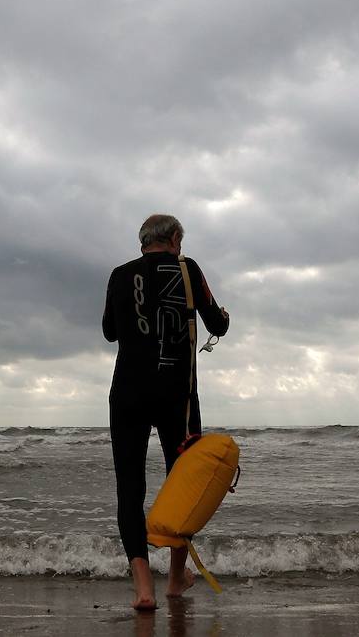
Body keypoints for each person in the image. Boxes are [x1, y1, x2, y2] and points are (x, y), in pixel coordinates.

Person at [102, 213, 230, 611]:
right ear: (174, 238)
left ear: (143, 242)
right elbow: (217, 323)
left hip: (127, 395)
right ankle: (175, 578)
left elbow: (109, 331)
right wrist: (222, 317)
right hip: (178, 397)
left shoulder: (119, 274)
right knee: (183, 487)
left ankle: (143, 587)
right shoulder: (186, 269)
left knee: (130, 488)